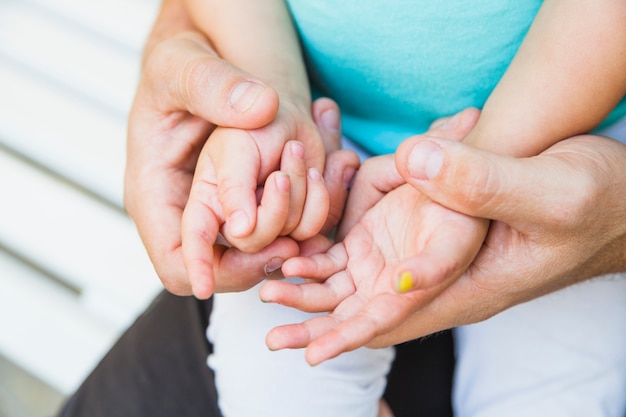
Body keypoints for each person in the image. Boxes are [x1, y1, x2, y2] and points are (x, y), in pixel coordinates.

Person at [59, 0, 626, 416]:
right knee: (276, 390)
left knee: (558, 394)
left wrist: (489, 166)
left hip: (561, 142)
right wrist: (274, 107)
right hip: (321, 145)